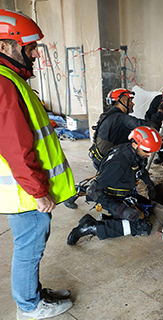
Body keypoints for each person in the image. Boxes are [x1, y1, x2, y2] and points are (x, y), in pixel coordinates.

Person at [0, 9, 76, 319]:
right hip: (24, 192)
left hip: (24, 188)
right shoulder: (4, 84)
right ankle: (29, 307)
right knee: (29, 248)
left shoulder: (10, 79)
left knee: (32, 244)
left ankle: (32, 293)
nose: (34, 55)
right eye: (29, 48)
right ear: (5, 46)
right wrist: (39, 190)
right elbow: (16, 147)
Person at [67, 126, 161, 245]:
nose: (150, 154)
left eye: (152, 152)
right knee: (141, 227)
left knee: (148, 209)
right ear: (135, 144)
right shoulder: (118, 163)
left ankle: (110, 218)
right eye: (147, 151)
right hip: (111, 197)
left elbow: (140, 169)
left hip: (124, 191)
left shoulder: (136, 154)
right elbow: (94, 190)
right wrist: (121, 210)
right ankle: (90, 227)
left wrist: (149, 185)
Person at [88, 88, 163, 170]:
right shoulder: (121, 118)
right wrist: (162, 110)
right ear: (123, 101)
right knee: (139, 150)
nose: (133, 104)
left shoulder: (109, 115)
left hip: (99, 158)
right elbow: (149, 127)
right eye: (130, 100)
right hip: (108, 163)